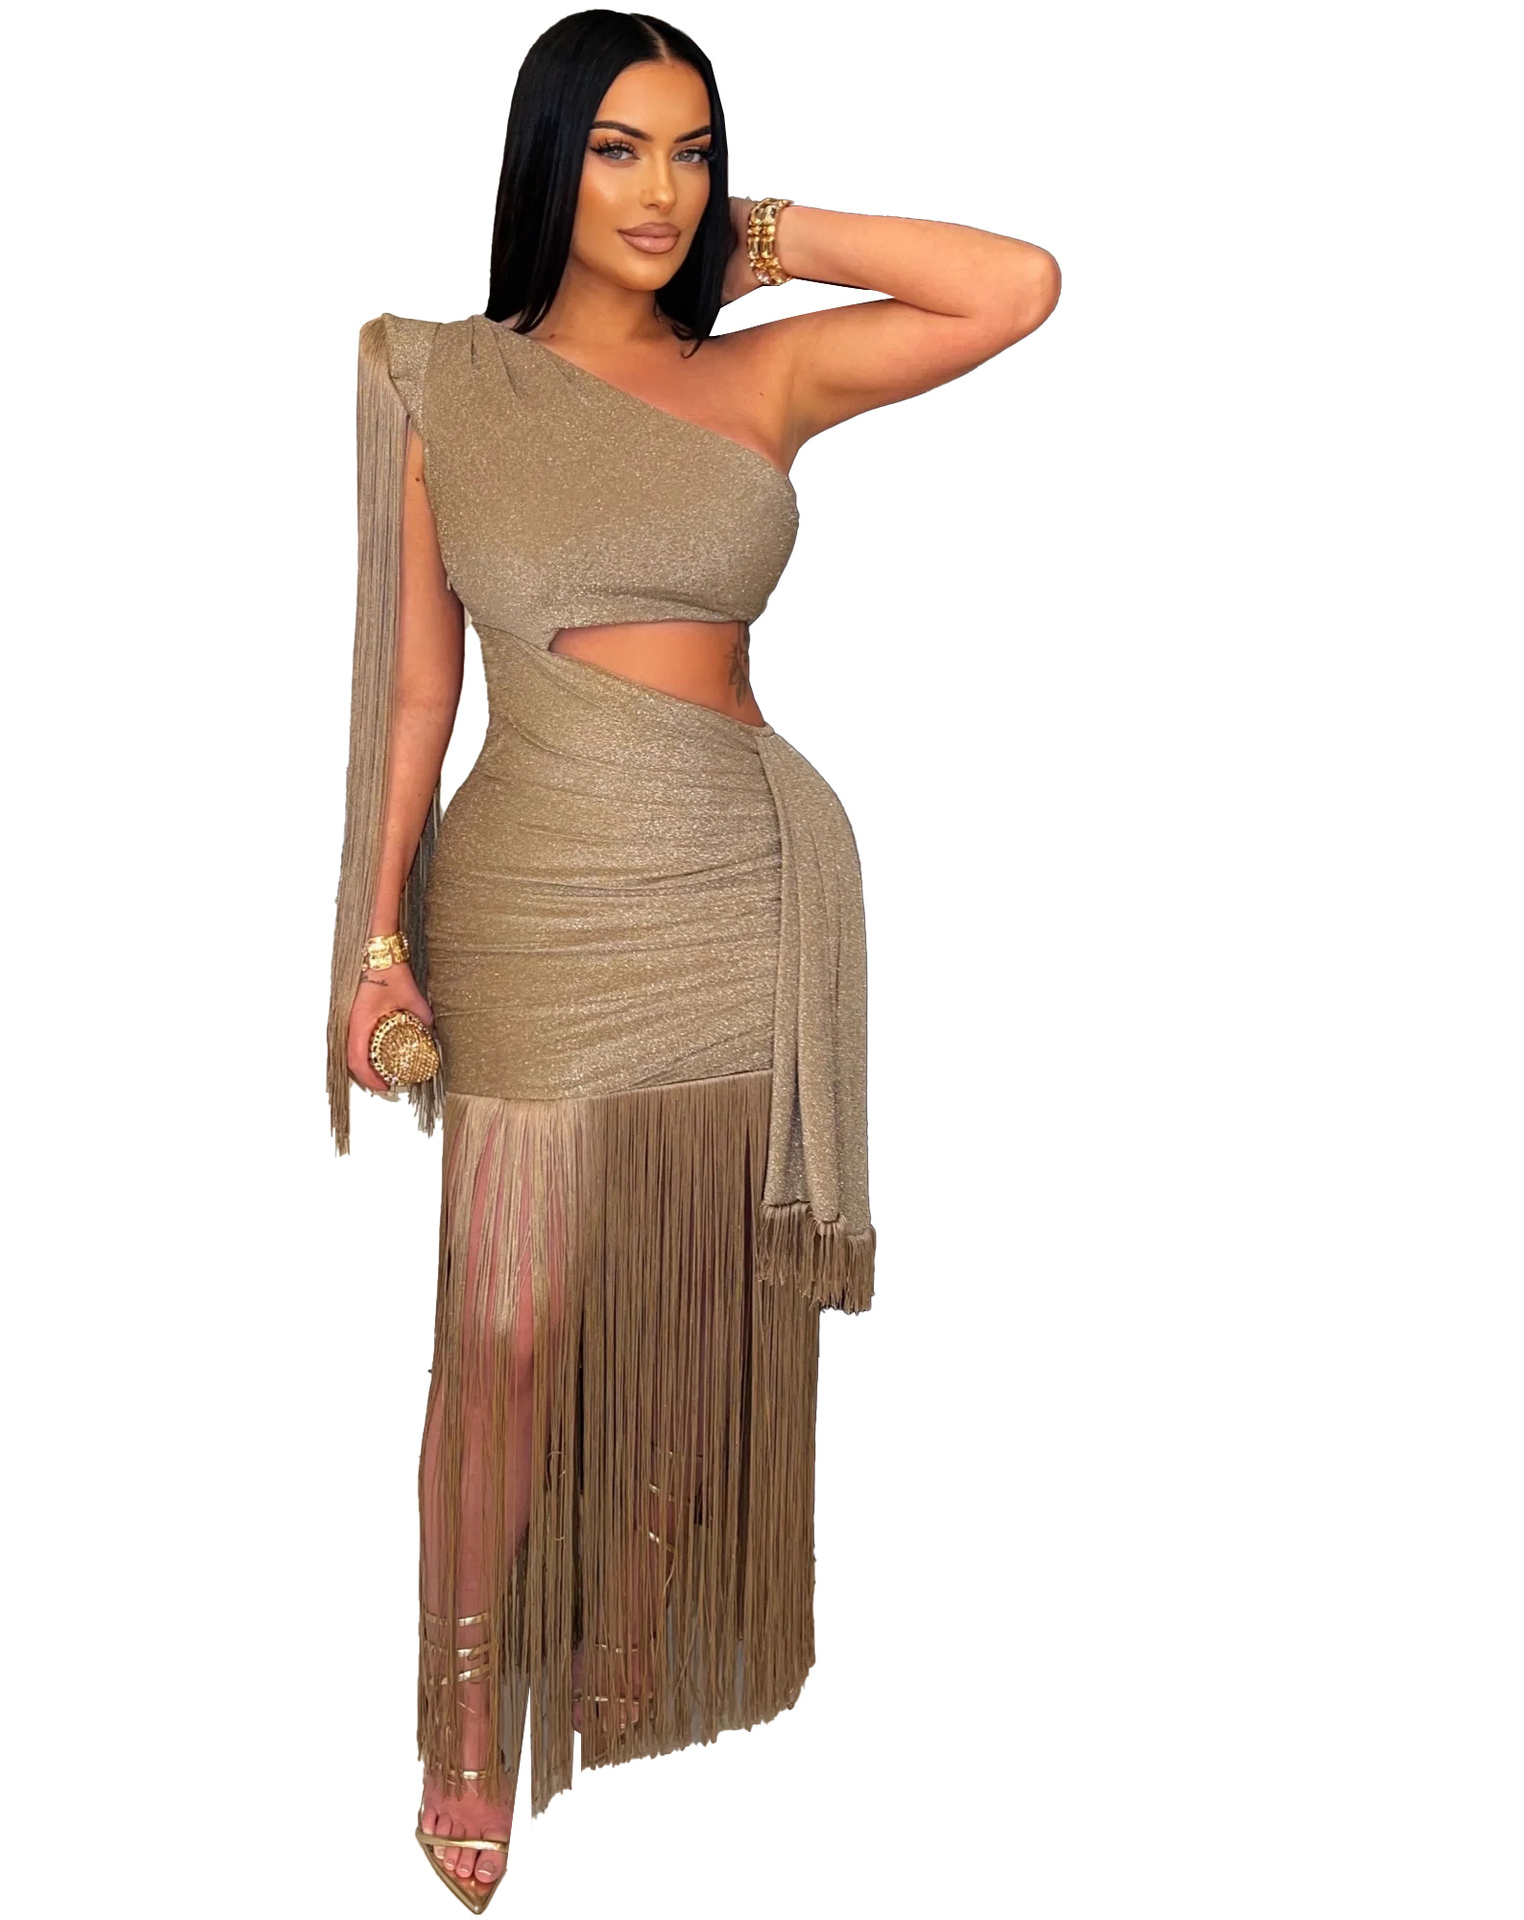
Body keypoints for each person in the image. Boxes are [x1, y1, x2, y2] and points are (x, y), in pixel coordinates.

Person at [325, 11, 1059, 1909]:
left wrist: (769, 237)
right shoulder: (436, 377)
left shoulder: (758, 377)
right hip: (541, 885)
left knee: (694, 1290)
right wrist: (373, 939)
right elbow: (413, 697)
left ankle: (633, 1630)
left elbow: (1014, 285)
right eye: (618, 149)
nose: (659, 189)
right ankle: (465, 1719)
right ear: (544, 160)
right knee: (502, 1327)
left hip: (737, 882)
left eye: (691, 150)